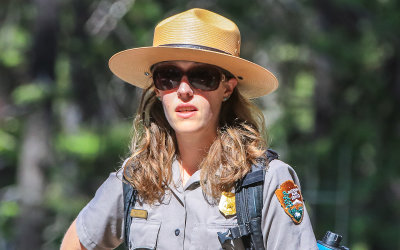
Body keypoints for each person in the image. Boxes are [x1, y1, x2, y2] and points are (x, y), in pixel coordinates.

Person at [61, 8, 318, 250]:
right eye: (168, 77)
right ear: (158, 89)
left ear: (227, 88)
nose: (184, 90)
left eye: (202, 77)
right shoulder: (135, 179)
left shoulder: (265, 181)